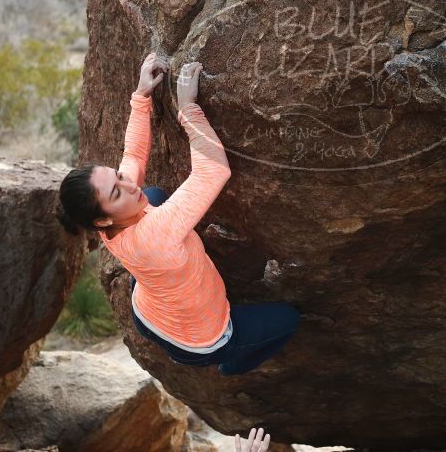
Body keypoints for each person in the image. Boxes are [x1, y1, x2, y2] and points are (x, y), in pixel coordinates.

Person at [55, 52, 300, 375]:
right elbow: (212, 172)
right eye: (116, 192)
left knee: (153, 194)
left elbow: (133, 157)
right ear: (101, 220)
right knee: (289, 319)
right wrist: (188, 110)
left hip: (147, 313)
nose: (129, 186)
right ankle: (232, 364)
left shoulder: (105, 223)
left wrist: (141, 96)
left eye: (118, 176)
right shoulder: (157, 231)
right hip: (202, 342)